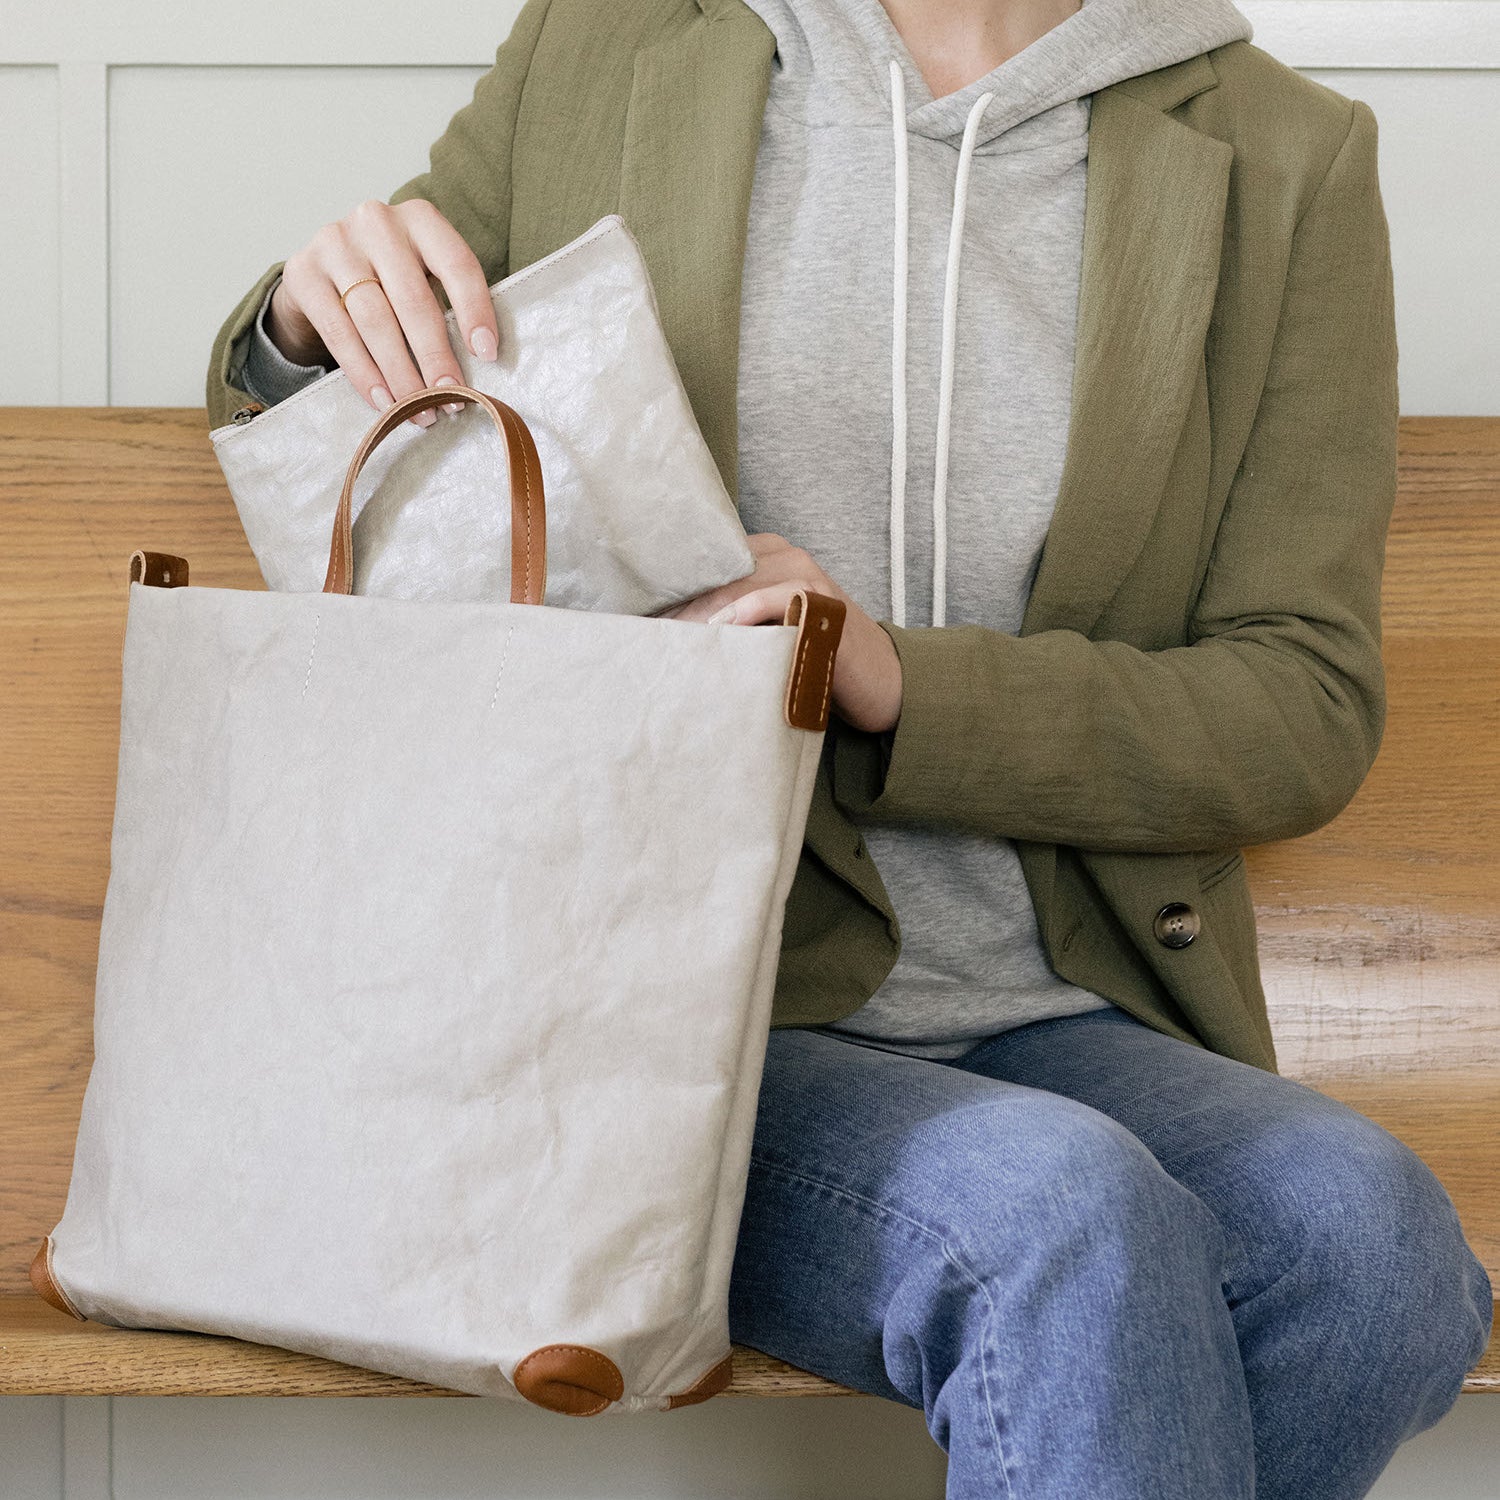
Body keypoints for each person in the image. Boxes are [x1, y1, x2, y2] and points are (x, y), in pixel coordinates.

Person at [205, 0, 1494, 1494]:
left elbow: (1303, 700)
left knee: (1375, 1245)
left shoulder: (1286, 154)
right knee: (1060, 1226)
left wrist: (901, 684)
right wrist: (307, 323)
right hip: (661, 1016)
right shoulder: (615, 40)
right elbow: (339, 413)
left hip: (1060, 1008)